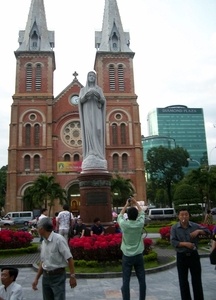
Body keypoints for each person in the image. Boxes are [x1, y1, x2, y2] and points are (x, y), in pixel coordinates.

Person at [32, 217, 77, 300]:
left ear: (42, 229)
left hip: (58, 276)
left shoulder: (59, 240)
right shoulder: (44, 242)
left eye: (38, 228)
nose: (37, 230)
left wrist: (72, 276)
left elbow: (69, 258)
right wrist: (36, 279)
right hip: (46, 276)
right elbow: (43, 261)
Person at [170, 209, 210, 300]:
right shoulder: (175, 228)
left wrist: (199, 231)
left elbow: (208, 232)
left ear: (189, 216)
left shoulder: (194, 226)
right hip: (181, 257)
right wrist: (185, 244)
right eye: (182, 215)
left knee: (196, 280)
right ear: (178, 216)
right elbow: (173, 242)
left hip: (193, 256)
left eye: (186, 214)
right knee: (183, 281)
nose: (184, 217)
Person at [117, 197, 146, 300]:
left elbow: (120, 215)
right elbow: (142, 213)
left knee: (126, 280)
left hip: (127, 255)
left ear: (127, 216)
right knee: (142, 279)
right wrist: (136, 203)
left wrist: (126, 205)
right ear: (136, 215)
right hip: (138, 255)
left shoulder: (124, 224)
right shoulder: (140, 224)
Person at [78, 71, 106, 161]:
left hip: (97, 113)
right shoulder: (83, 90)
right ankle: (90, 152)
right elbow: (80, 101)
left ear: (95, 78)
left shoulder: (99, 89)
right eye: (90, 75)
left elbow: (103, 101)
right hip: (87, 114)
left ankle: (98, 153)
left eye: (93, 76)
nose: (91, 77)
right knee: (89, 131)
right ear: (87, 77)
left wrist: (98, 97)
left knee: (98, 130)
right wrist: (86, 96)